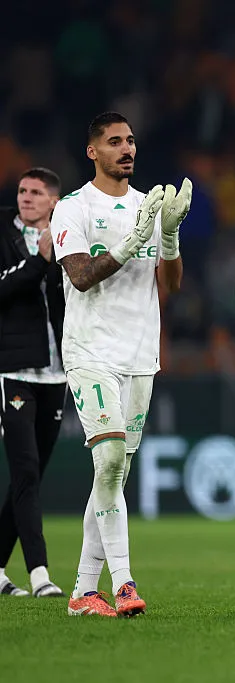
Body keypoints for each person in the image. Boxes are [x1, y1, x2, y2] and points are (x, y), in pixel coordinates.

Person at [52, 112, 191, 617]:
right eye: (114, 142)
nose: (126, 148)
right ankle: (125, 583)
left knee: (113, 474)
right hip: (90, 353)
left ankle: (84, 592)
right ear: (93, 151)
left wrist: (168, 238)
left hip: (140, 357)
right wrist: (128, 243)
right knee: (109, 463)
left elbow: (169, 287)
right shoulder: (72, 208)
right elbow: (82, 276)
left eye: (131, 140)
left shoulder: (149, 206)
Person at [0, 168, 65, 598]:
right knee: (24, 470)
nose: (26, 197)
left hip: (57, 371)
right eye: (23, 190)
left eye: (36, 192)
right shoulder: (3, 234)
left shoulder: (66, 238)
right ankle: (39, 573)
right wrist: (38, 261)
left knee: (32, 475)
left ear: (53, 202)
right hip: (14, 371)